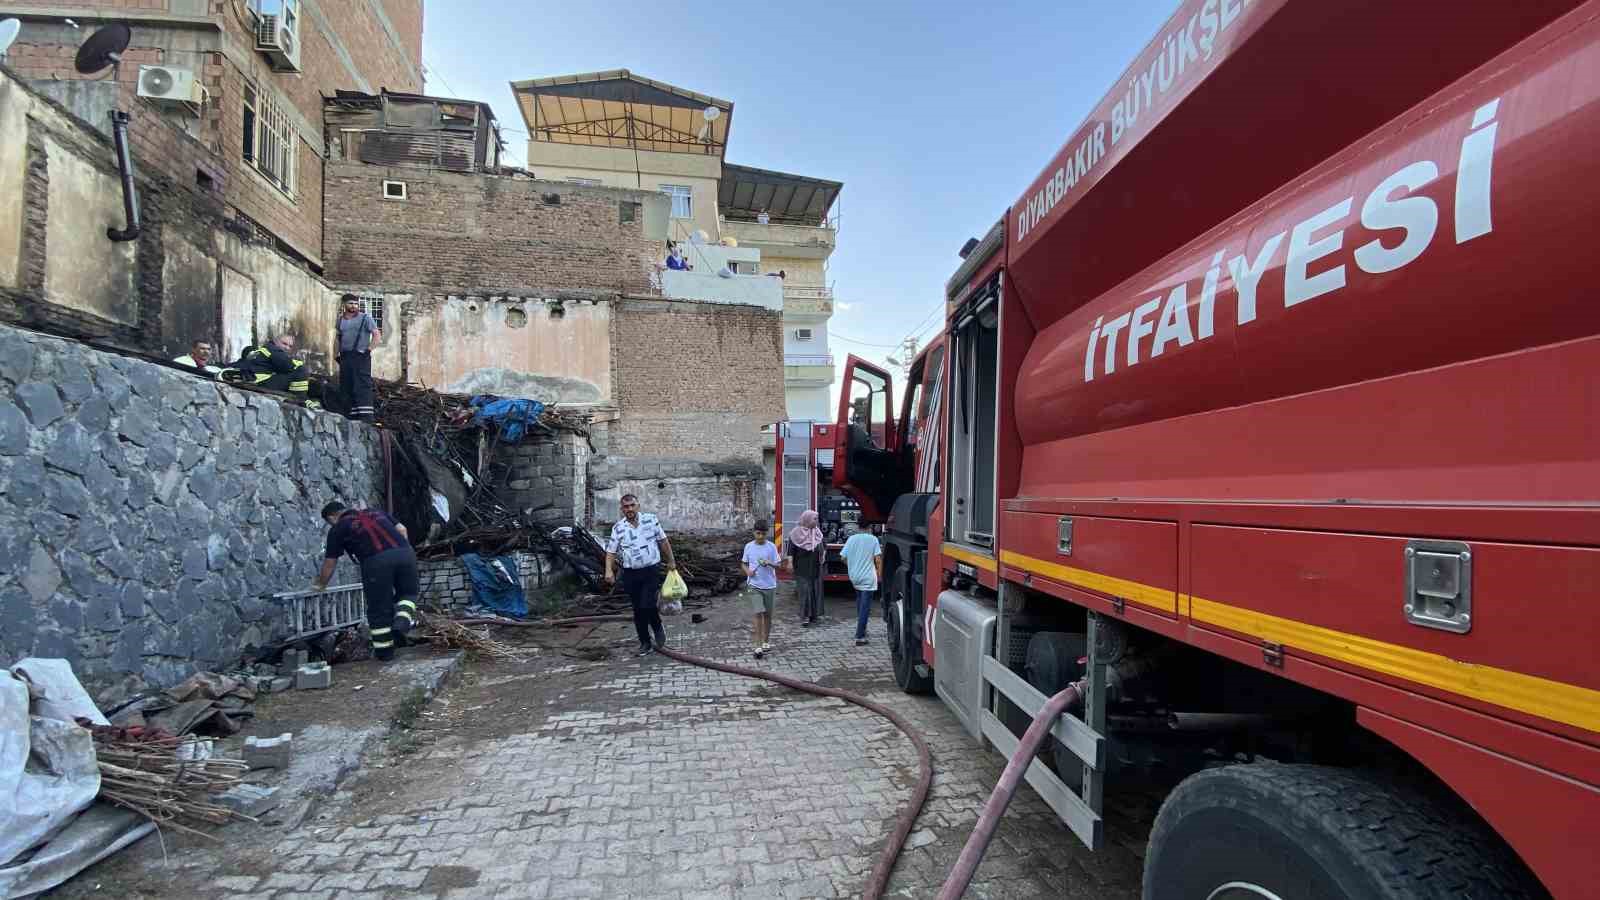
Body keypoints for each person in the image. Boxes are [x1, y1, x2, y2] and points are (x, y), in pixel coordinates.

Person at [313, 502, 419, 662]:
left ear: (332, 517)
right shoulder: (375, 511)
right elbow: (402, 529)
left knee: (379, 608)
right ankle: (402, 622)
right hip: (405, 553)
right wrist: (404, 551)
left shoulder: (338, 528)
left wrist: (320, 585)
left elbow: (330, 562)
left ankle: (385, 653)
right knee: (408, 593)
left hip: (375, 562)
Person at [603, 494, 678, 656]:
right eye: (626, 506)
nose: (629, 509)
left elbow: (663, 541)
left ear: (638, 506)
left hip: (651, 570)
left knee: (647, 603)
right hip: (630, 573)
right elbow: (611, 551)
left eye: (632, 505)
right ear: (622, 509)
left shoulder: (651, 520)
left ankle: (657, 626)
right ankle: (645, 643)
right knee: (638, 609)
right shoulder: (618, 528)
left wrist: (671, 561)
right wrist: (608, 570)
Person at [336, 294, 381, 421]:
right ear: (344, 304)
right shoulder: (340, 320)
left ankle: (366, 417)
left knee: (362, 385)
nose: (353, 306)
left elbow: (377, 335)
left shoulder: (366, 318)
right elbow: (338, 338)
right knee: (346, 385)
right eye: (350, 303)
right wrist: (337, 353)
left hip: (361, 356)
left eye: (356, 304)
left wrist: (368, 350)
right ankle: (349, 415)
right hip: (346, 357)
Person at [838, 522, 883, 646]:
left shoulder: (851, 539)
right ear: (870, 527)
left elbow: (842, 557)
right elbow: (878, 559)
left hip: (855, 577)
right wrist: (880, 575)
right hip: (868, 577)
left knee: (859, 602)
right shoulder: (873, 539)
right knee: (865, 607)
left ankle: (862, 628)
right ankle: (860, 636)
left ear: (858, 527)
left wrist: (851, 566)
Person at [742, 519, 781, 659]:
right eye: (758, 533)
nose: (760, 537)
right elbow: (743, 563)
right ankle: (757, 645)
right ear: (754, 532)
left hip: (769, 585)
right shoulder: (748, 547)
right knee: (758, 613)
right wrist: (748, 572)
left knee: (767, 615)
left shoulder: (771, 547)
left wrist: (769, 563)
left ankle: (766, 641)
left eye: (763, 534)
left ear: (767, 534)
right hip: (754, 585)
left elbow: (778, 565)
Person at [233, 335, 309, 399]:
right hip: (260, 382)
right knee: (301, 370)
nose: (287, 348)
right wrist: (299, 363)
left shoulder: (262, 350)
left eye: (290, 346)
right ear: (275, 342)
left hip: (254, 379)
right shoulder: (273, 349)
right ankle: (300, 400)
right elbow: (289, 365)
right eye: (284, 344)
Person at [784, 510, 825, 626]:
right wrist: (790, 563)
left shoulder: (817, 532)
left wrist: (823, 554)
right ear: (807, 519)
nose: (817, 521)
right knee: (805, 591)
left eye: (817, 518)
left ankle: (814, 615)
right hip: (802, 567)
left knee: (814, 590)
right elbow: (790, 551)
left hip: (815, 567)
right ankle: (805, 616)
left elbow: (823, 545)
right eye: (814, 519)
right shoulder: (795, 533)